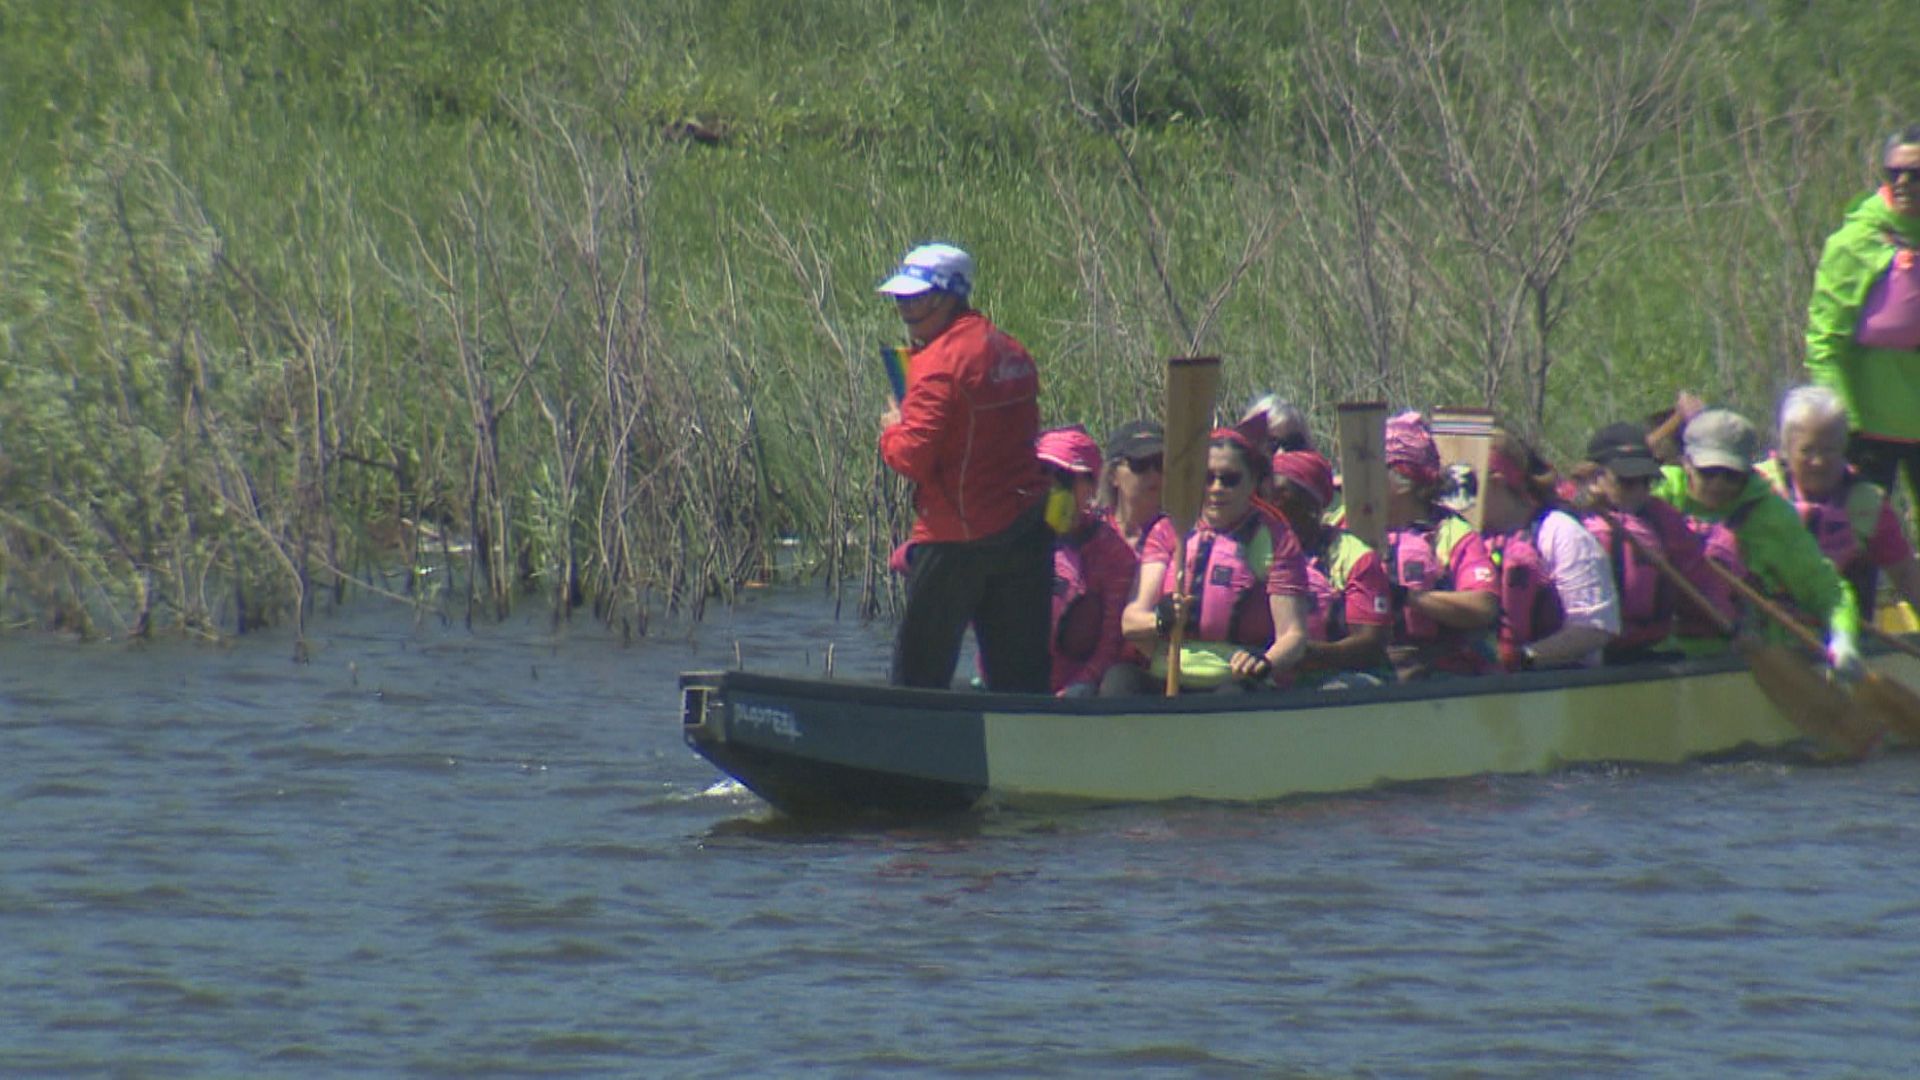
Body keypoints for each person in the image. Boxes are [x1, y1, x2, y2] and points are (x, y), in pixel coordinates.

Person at [877, 242, 1053, 692]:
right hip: (1022, 529)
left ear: (951, 295)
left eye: (917, 299)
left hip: (955, 539)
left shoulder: (937, 364)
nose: (906, 309)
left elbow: (912, 457)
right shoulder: (1012, 350)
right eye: (901, 299)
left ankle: (910, 753)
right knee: (1020, 680)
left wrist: (891, 429)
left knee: (919, 679)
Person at [1652, 408, 1864, 678]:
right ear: (1686, 463)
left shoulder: (1771, 517)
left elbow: (1830, 594)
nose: (1719, 483)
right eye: (1709, 472)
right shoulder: (1654, 495)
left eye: (1732, 475)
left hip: (1742, 662)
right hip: (1666, 661)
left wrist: (1843, 639)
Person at [1112, 429, 1310, 693]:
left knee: (1231, 696)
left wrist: (1264, 663)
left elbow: (1293, 636)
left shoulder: (1276, 538)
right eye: (1208, 478)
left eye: (1230, 479)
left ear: (1252, 482)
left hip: (1234, 681)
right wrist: (1161, 620)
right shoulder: (1169, 529)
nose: (1217, 488)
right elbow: (1131, 622)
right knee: (1120, 681)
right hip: (1169, 677)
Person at [1806, 124, 1920, 518]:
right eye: (1894, 173)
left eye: (1915, 174)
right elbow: (1823, 343)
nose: (1903, 183)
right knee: (1860, 541)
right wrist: (1844, 425)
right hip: (1869, 428)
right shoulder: (1855, 243)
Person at [1757, 386, 1920, 624]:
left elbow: (1906, 574)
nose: (1819, 461)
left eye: (1829, 450)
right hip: (1767, 640)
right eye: (1807, 451)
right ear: (1786, 448)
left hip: (1847, 640)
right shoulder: (1756, 490)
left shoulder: (1868, 503)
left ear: (1844, 446)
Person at [1579, 421, 1737, 661]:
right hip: (1584, 656)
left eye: (1646, 481)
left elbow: (1699, 579)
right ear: (1594, 479)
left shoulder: (1663, 521)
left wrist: (1729, 625)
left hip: (1650, 654)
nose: (1640, 491)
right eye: (1628, 482)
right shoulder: (1569, 523)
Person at [1478, 431, 1621, 670]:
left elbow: (1596, 628)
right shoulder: (1466, 538)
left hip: (1560, 685)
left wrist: (1523, 658)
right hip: (1491, 691)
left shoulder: (1561, 532)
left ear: (1497, 480)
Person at [1380, 412, 1501, 680]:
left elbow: (1483, 606)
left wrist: (1406, 597)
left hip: (1438, 673)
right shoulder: (1342, 527)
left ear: (1402, 481)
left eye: (1373, 471)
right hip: (1368, 667)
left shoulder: (1452, 534)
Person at [1268, 449, 1393, 687]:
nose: (1268, 501)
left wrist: (1306, 654)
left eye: (1279, 493)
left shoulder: (1356, 556)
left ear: (1310, 503)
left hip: (1334, 677)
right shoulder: (1255, 543)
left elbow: (1371, 642)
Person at [1035, 428, 1140, 697]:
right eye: (1043, 473)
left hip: (1078, 689)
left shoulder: (1114, 554)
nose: (1052, 486)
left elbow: (1110, 643)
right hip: (1017, 680)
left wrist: (1074, 687)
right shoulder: (1015, 537)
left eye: (1065, 479)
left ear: (1090, 486)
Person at [1095, 420, 1166, 553]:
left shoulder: (1179, 537)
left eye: (1159, 463)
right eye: (1140, 464)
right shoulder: (1092, 533)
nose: (1153, 473)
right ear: (1113, 475)